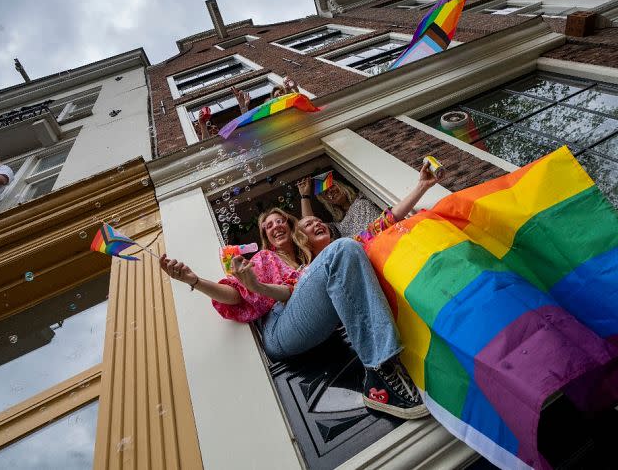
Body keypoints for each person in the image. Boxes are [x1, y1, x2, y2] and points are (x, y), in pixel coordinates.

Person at [160, 162, 440, 419]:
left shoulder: (311, 264)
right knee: (342, 249)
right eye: (267, 226)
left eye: (280, 220)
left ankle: (384, 366)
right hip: (280, 331)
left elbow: (379, 225)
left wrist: (421, 187)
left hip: (314, 325)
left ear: (292, 227)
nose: (275, 226)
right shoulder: (264, 259)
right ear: (265, 237)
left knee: (348, 247)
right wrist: (194, 280)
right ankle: (381, 369)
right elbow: (235, 296)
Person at [298, 175, 382, 238]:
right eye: (326, 193)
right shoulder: (337, 226)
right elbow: (309, 223)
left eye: (332, 186)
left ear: (340, 185)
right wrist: (305, 196)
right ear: (327, 201)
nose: (330, 191)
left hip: (385, 235)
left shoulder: (363, 195)